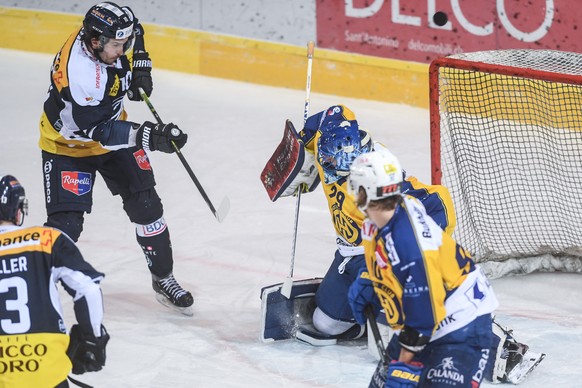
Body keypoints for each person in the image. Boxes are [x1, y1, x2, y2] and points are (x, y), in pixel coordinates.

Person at [280, 104, 544, 384]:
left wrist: (404, 363)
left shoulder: (398, 219)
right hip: (368, 260)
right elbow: (330, 116)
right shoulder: (367, 205)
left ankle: (502, 348)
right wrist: (302, 145)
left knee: (420, 344)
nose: (332, 175)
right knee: (325, 323)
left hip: (456, 306)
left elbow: (424, 308)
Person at [38, 2, 193, 313]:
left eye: (124, 46)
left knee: (148, 206)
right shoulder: (79, 76)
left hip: (111, 129)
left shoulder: (103, 36)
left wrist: (142, 68)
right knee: (66, 225)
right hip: (70, 146)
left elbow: (136, 32)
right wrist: (150, 136)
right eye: (117, 46)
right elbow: (98, 130)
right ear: (95, 43)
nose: (123, 50)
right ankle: (36, 286)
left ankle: (163, 278)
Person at [346, 149, 499, 387]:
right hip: (429, 315)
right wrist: (373, 280)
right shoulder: (390, 212)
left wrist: (405, 364)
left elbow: (425, 306)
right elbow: (389, 260)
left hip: (462, 324)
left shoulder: (409, 244)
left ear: (366, 192)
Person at [0, 174, 109, 387]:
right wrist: (92, 338)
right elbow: (87, 289)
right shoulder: (46, 239)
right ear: (17, 209)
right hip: (45, 369)